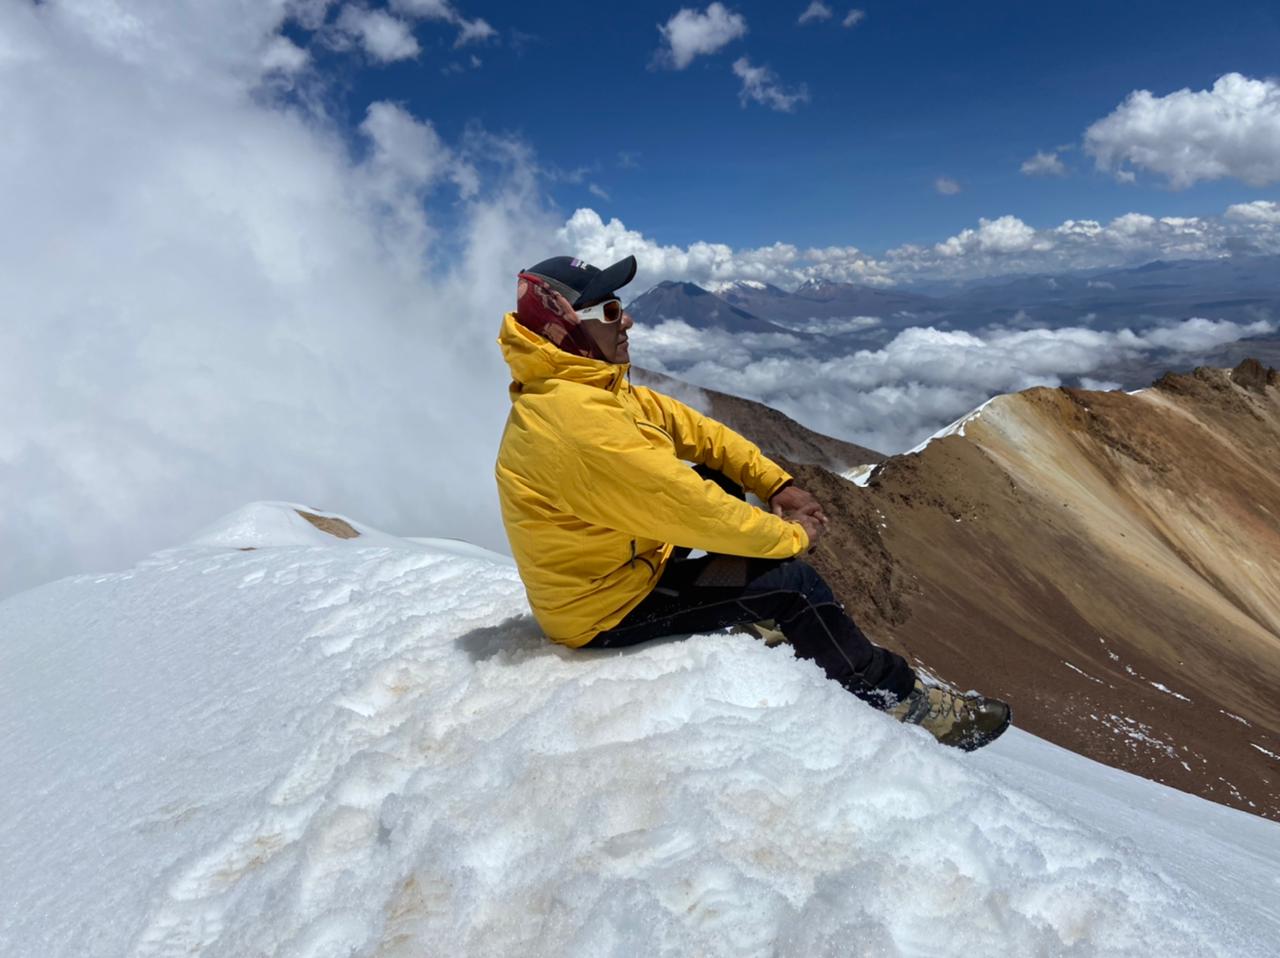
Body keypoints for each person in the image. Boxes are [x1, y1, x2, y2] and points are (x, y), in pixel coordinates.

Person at [494, 254, 1010, 750]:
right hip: (608, 612)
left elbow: (697, 432)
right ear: (563, 328)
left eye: (619, 304)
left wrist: (774, 483)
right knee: (795, 586)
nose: (626, 318)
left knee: (720, 477)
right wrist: (793, 537)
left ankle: (743, 608)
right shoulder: (578, 427)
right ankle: (896, 699)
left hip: (622, 565)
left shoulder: (588, 384)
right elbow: (695, 510)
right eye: (607, 311)